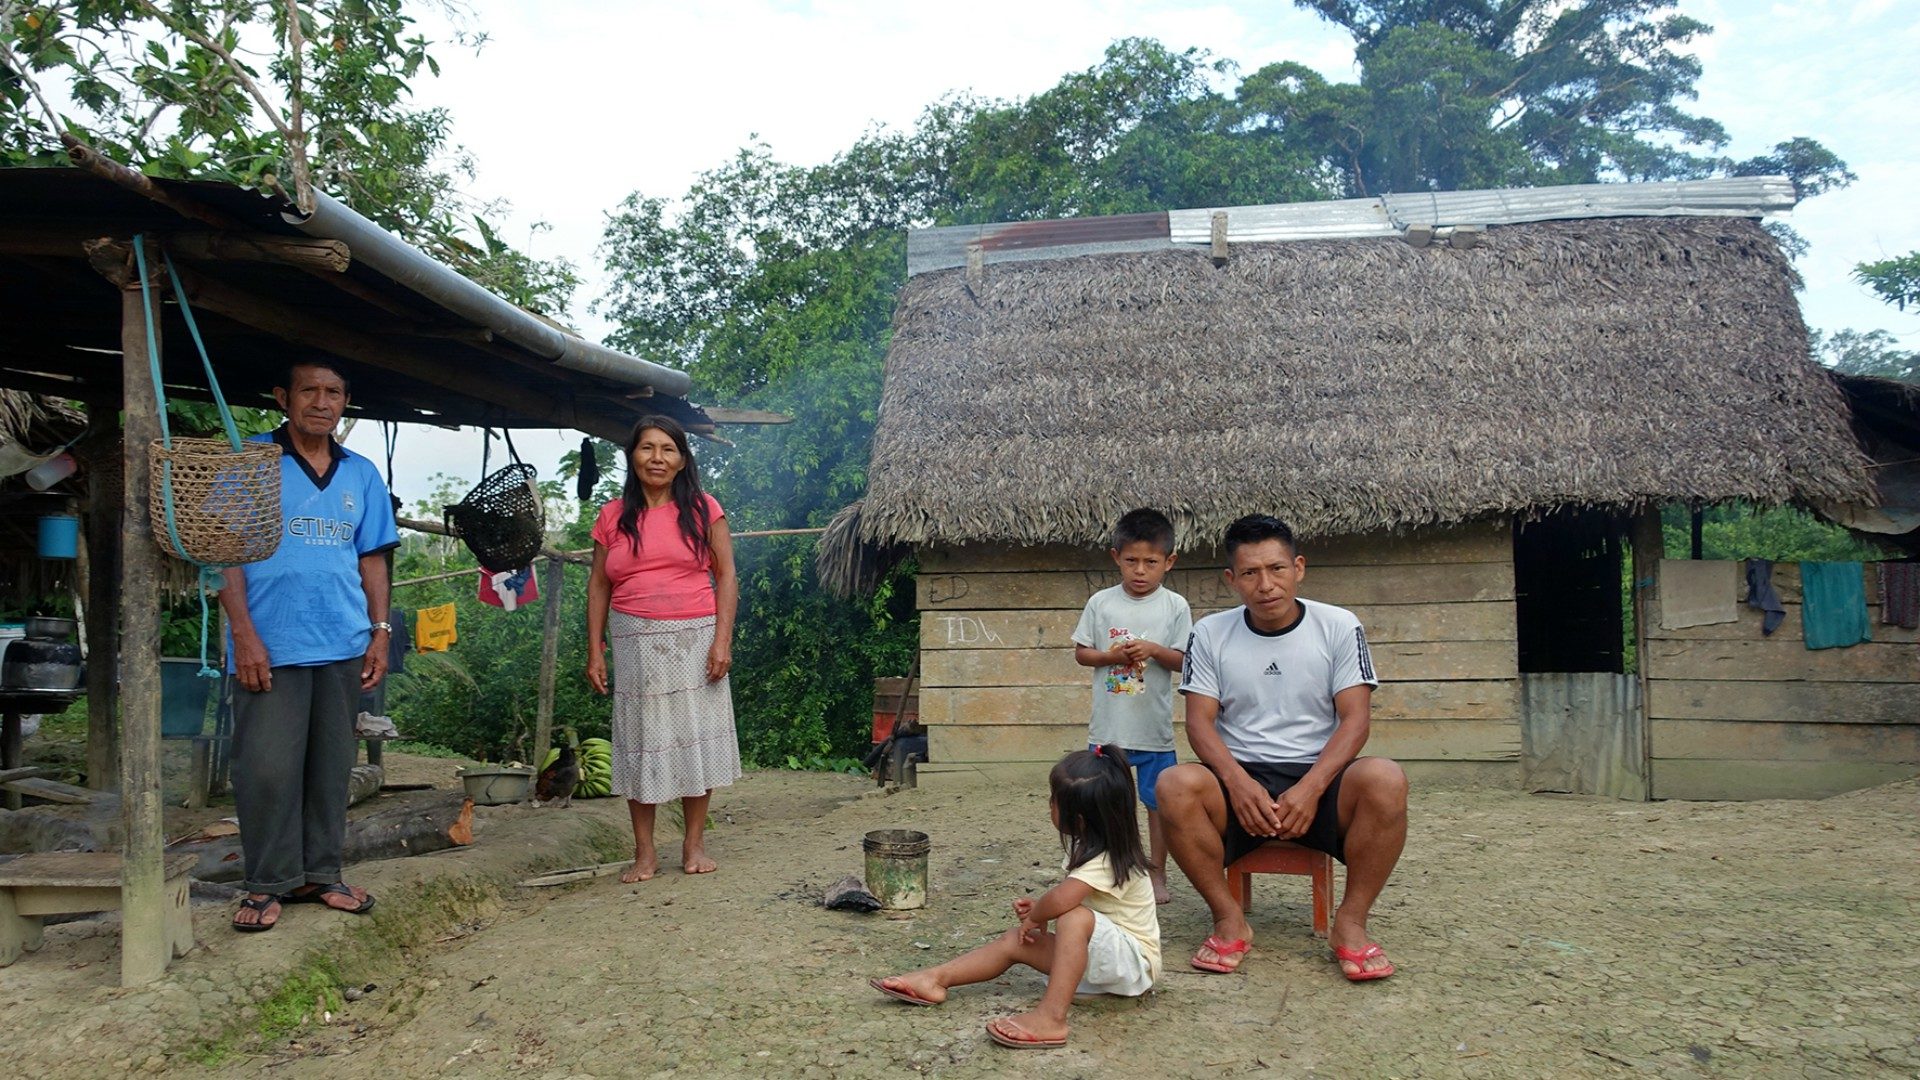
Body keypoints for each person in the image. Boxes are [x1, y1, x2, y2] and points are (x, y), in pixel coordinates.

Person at [1157, 514, 1408, 981]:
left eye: (1276, 569)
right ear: (1231, 579)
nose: (1266, 584)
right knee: (1173, 783)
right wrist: (1238, 783)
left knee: (1385, 779)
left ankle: (1350, 925)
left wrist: (1312, 787)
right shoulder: (1210, 633)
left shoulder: (1338, 625)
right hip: (1240, 779)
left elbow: (1355, 720)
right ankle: (1229, 920)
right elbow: (1199, 724)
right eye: (1250, 573)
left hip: (1322, 775)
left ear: (1299, 567)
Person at [221, 360, 399, 932]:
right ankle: (265, 884)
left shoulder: (361, 473)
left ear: (345, 401)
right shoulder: (250, 460)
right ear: (283, 397)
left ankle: (321, 874)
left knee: (330, 767)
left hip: (342, 640)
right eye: (309, 390)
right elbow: (224, 553)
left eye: (333, 392)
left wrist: (380, 631)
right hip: (270, 643)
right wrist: (244, 634)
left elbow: (372, 557)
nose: (321, 402)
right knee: (267, 767)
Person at [870, 746, 1161, 1050]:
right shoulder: (1088, 849)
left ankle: (1052, 1018)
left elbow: (1064, 901)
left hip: (1133, 966)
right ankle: (935, 979)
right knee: (1015, 941)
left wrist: (1040, 914)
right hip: (1101, 961)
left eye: (1053, 799)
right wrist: (1042, 910)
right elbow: (1073, 901)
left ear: (1079, 820)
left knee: (1073, 918)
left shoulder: (1109, 859)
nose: (1049, 805)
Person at [586, 415, 740, 883]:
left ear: (682, 459)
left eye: (668, 449)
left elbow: (727, 576)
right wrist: (595, 650)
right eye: (648, 448)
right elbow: (597, 585)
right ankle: (645, 853)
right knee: (641, 741)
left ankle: (693, 843)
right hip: (633, 641)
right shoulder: (613, 515)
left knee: (697, 737)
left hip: (696, 636)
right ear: (632, 456)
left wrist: (722, 641)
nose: (657, 457)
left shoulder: (703, 509)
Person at [1071, 507, 1191, 904]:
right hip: (1109, 729)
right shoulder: (1101, 603)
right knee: (1103, 802)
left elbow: (1184, 661)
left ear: (1168, 562)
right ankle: (1105, 870)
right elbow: (1082, 654)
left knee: (1159, 805)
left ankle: (1157, 873)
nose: (1140, 571)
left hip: (1153, 730)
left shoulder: (1174, 606)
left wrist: (1154, 650)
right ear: (1115, 557)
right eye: (1131, 561)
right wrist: (1111, 657)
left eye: (1151, 562)